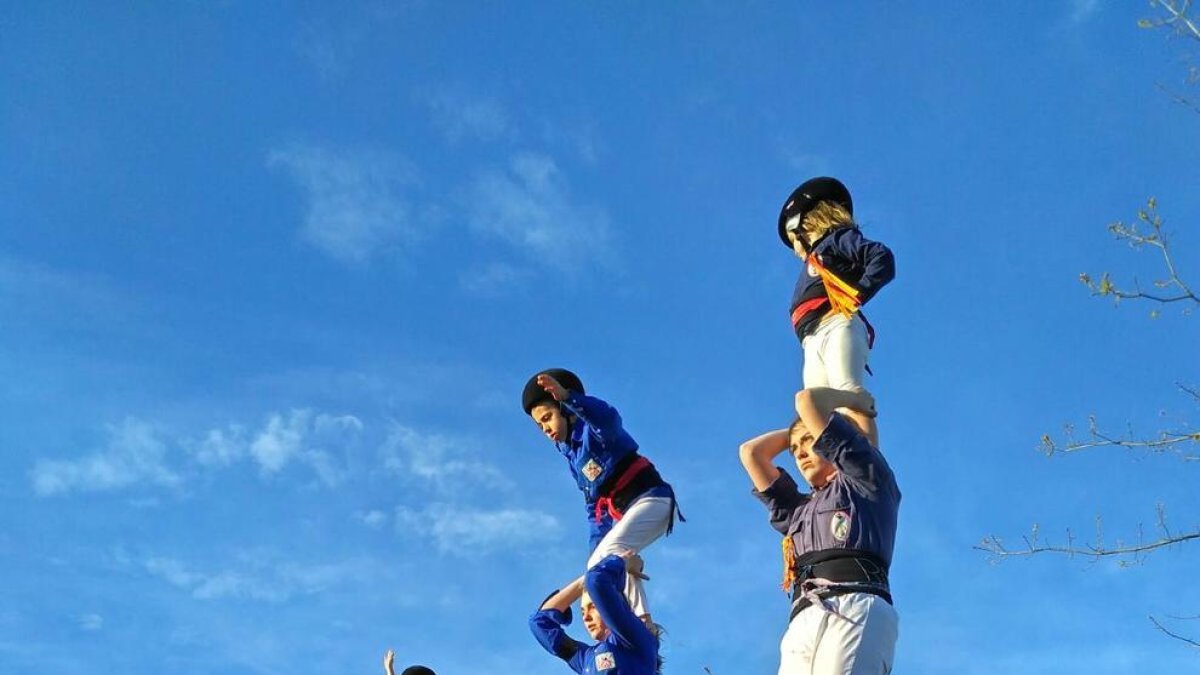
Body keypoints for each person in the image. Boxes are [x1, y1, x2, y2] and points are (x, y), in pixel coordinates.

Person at [739, 387, 900, 674]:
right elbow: (751, 453)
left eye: (808, 442)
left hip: (854, 603)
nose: (800, 454)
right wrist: (796, 432)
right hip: (803, 616)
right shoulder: (796, 510)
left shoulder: (866, 481)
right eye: (794, 450)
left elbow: (807, 401)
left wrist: (854, 402)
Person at [522, 368, 681, 621]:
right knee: (602, 564)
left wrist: (569, 398)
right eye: (539, 424)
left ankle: (643, 622)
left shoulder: (595, 432)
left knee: (609, 555)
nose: (545, 428)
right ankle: (636, 623)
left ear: (564, 410)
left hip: (654, 500)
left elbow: (608, 418)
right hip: (635, 512)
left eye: (548, 417)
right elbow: (595, 514)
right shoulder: (574, 459)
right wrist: (594, 558)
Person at [778, 177, 895, 444]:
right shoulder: (815, 255)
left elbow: (881, 258)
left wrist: (858, 292)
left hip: (835, 323)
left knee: (848, 393)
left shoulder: (836, 240)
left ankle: (869, 470)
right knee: (817, 411)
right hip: (811, 339)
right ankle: (838, 471)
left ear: (804, 224)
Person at [530, 551, 661, 674]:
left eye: (592, 607)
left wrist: (625, 562)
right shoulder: (585, 659)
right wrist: (582, 582)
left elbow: (596, 580)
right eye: (582, 612)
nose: (586, 618)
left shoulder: (634, 638)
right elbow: (539, 622)